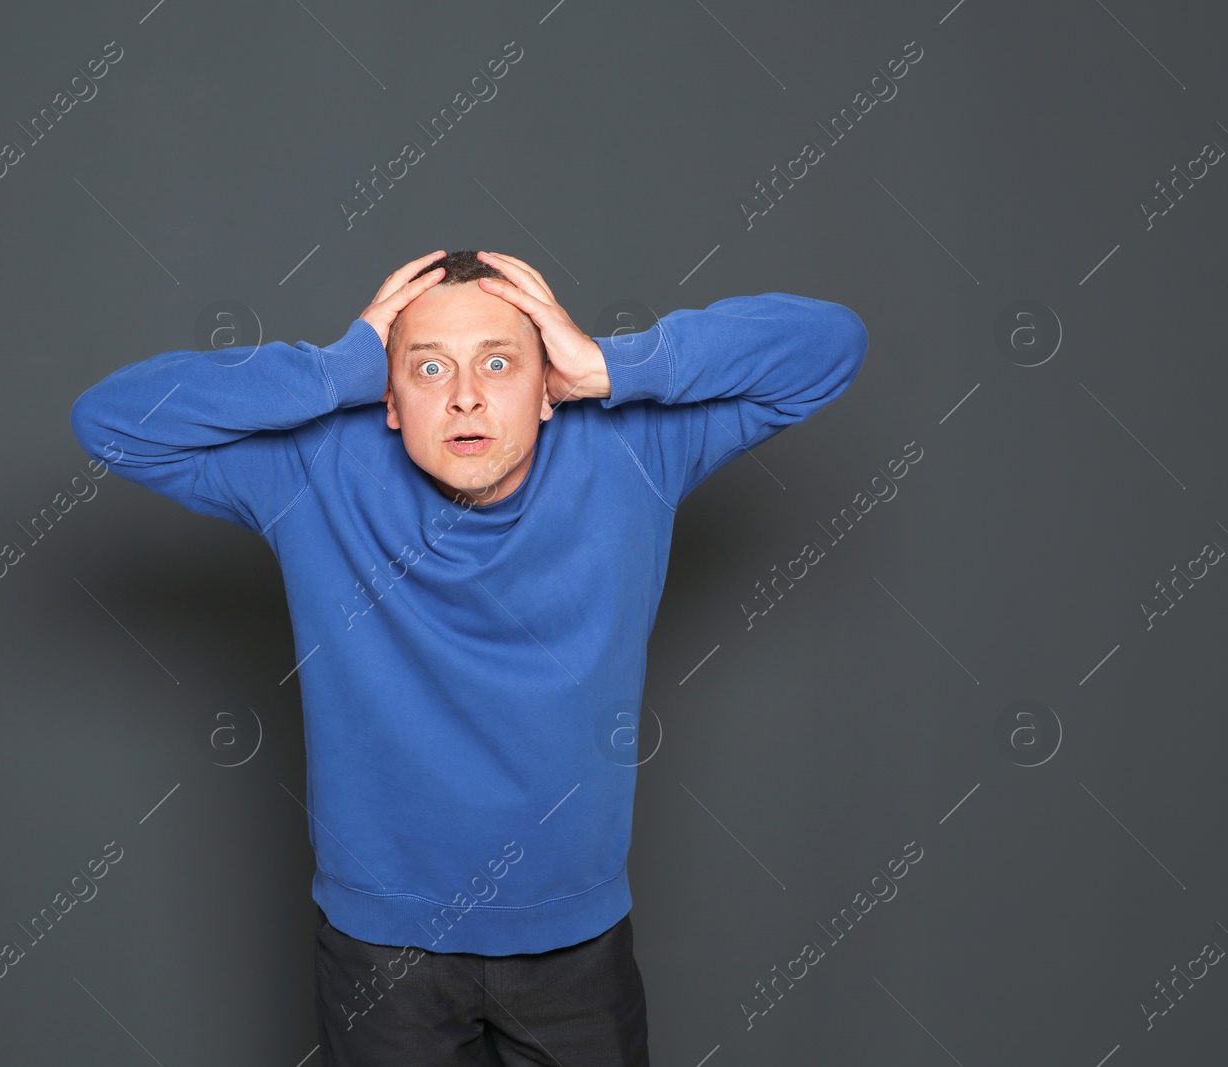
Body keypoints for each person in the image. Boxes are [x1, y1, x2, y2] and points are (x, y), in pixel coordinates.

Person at [69, 249, 869, 1064]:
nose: (465, 396)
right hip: (381, 953)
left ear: (548, 384)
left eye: (498, 361)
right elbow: (111, 419)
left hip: (576, 946)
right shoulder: (312, 470)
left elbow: (829, 345)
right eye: (427, 368)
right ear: (389, 397)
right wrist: (334, 368)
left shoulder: (635, 453)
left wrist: (609, 364)